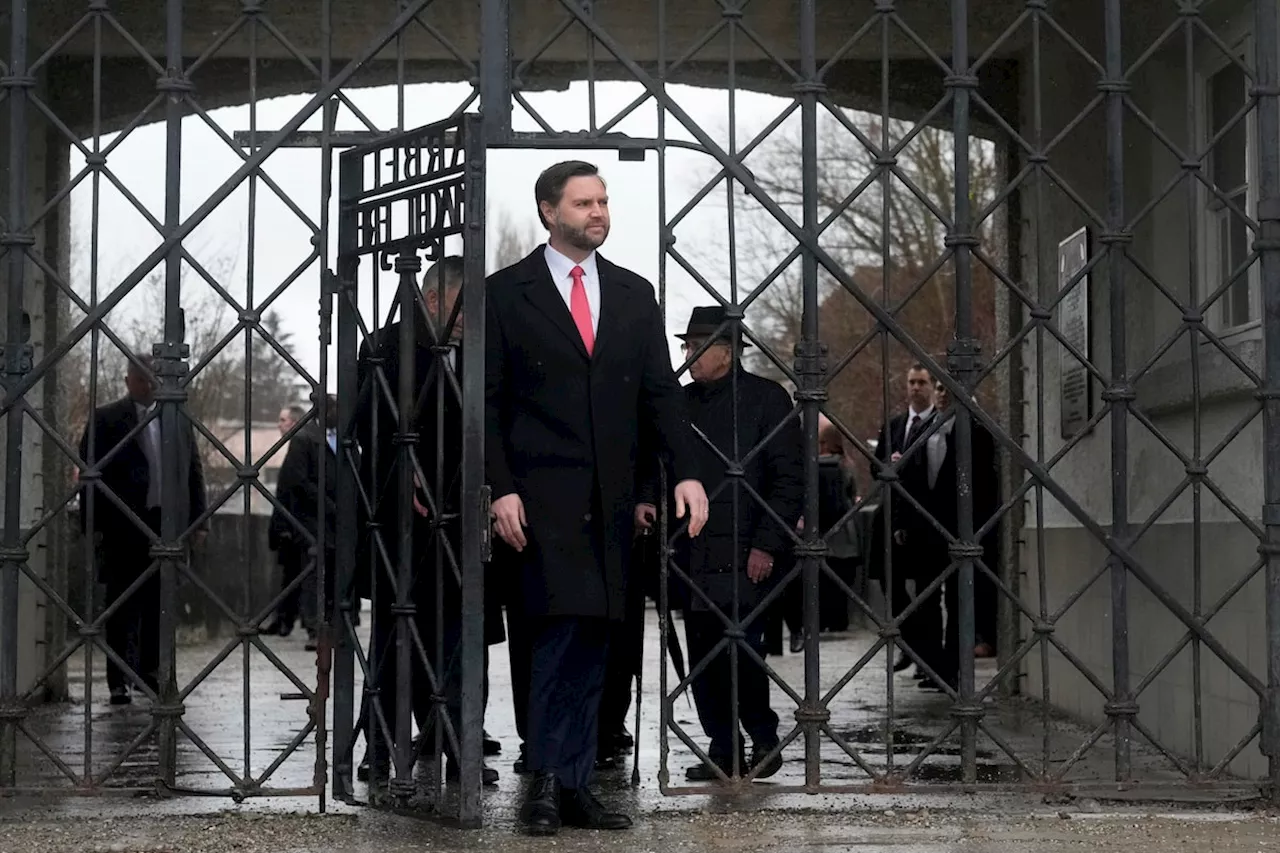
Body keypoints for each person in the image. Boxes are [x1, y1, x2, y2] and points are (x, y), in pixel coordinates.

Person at [486, 160, 708, 835]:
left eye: (603, 201)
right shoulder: (503, 293)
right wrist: (500, 489)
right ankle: (545, 782)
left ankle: (576, 783)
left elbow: (660, 399)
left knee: (596, 646)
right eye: (584, 202)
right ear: (549, 210)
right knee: (553, 636)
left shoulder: (635, 295)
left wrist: (686, 473)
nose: (598, 212)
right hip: (540, 500)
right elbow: (487, 404)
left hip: (611, 505)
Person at [353, 255, 503, 786]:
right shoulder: (387, 347)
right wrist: (406, 473)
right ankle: (383, 744)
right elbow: (363, 435)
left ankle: (459, 743)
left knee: (465, 641)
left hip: (467, 521)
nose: (470, 318)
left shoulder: (484, 352)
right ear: (434, 298)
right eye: (464, 305)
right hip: (404, 526)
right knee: (398, 636)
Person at [638, 305, 802, 782]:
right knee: (703, 656)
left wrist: (767, 546)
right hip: (692, 552)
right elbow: (656, 458)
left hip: (747, 553)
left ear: (726, 354)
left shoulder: (768, 400)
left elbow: (788, 480)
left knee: (744, 653)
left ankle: (763, 738)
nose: (687, 355)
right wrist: (648, 500)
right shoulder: (681, 402)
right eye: (685, 346)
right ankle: (723, 747)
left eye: (695, 347)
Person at [78, 354, 207, 705]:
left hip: (165, 524)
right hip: (123, 524)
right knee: (121, 603)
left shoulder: (177, 419)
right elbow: (89, 474)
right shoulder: (106, 419)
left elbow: (192, 471)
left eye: (153, 380)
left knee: (159, 602)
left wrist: (199, 521)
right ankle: (118, 679)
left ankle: (150, 673)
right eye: (141, 380)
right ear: (127, 380)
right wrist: (92, 524)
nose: (148, 387)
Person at [917, 379, 1000, 690]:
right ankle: (932, 666)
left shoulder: (976, 431)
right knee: (925, 601)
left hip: (961, 531)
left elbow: (983, 485)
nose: (942, 395)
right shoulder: (924, 430)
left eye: (948, 389)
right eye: (938, 388)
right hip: (927, 532)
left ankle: (953, 669)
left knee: (958, 600)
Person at [869, 363, 936, 675]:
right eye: (911, 382)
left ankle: (927, 660)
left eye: (921, 382)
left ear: (933, 387)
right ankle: (909, 645)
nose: (915, 388)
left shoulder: (938, 423)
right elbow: (875, 467)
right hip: (892, 514)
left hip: (924, 518)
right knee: (890, 583)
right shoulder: (895, 425)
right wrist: (889, 463)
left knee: (927, 590)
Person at [274, 394, 339, 652]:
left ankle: (330, 625)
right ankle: (314, 628)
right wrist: (330, 504)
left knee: (331, 572)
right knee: (314, 572)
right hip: (311, 519)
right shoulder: (304, 439)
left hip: (333, 520)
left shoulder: (338, 437)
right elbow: (297, 482)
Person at [267, 403, 308, 637]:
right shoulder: (296, 446)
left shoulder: (299, 446)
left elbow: (292, 489)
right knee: (291, 573)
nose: (279, 424)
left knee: (293, 574)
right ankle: (284, 620)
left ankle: (285, 621)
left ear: (294, 422)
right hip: (291, 524)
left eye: (283, 420)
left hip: (295, 525)